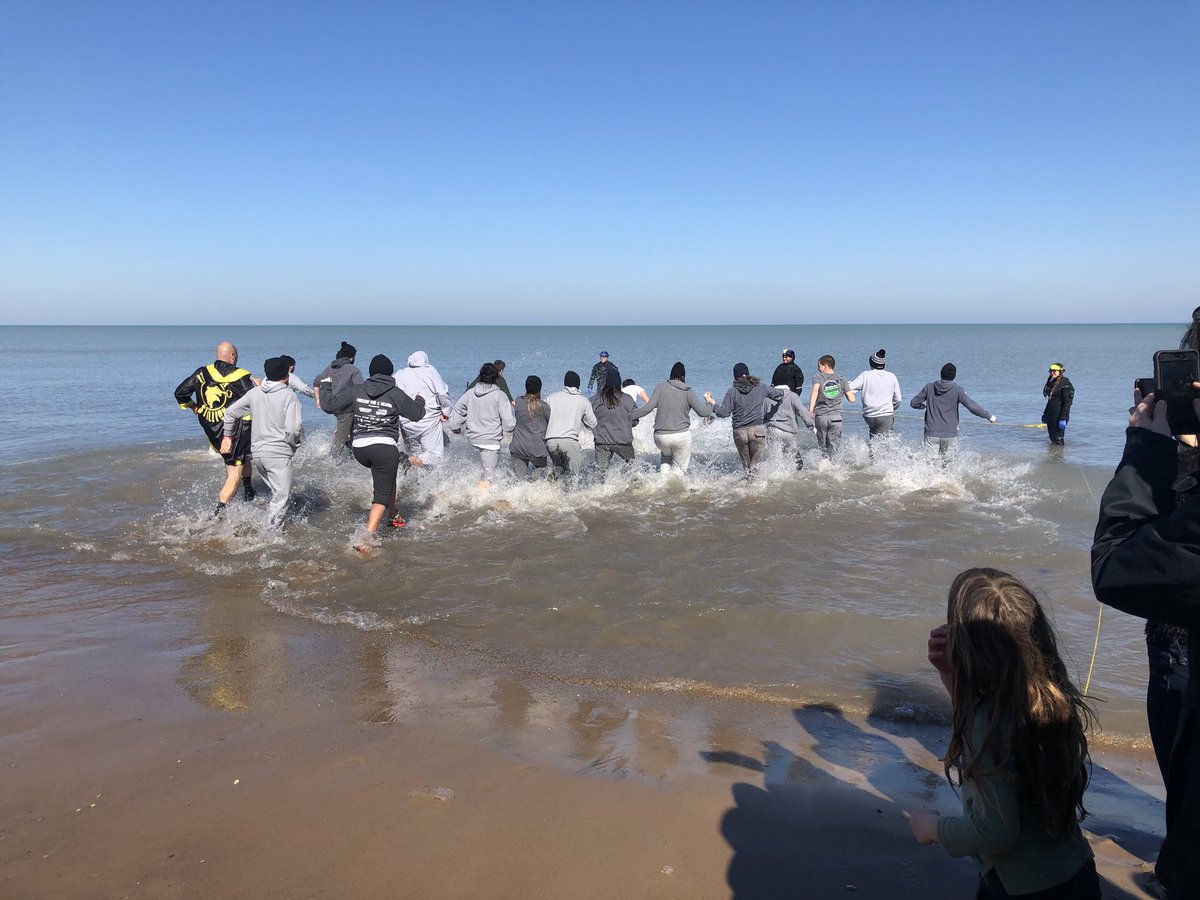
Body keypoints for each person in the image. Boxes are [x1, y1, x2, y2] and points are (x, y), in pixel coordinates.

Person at [909, 568, 1099, 899]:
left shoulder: (987, 723)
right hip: (1075, 874)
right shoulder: (1052, 696)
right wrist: (951, 679)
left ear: (968, 646)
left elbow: (996, 832)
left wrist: (932, 828)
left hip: (1021, 888)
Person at [1092, 382, 1200, 897]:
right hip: (1175, 639)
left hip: (1181, 644)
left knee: (1185, 783)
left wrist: (1147, 449)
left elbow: (1117, 565)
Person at [332, 354, 425, 545]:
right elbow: (417, 414)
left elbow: (332, 405)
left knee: (388, 475)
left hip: (359, 448)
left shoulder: (357, 390)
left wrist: (324, 388)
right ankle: (366, 538)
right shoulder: (395, 392)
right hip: (383, 448)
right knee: (380, 495)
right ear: (390, 373)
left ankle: (393, 514)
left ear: (371, 372)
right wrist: (420, 399)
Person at [174, 340, 257, 510]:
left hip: (210, 427)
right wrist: (257, 386)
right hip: (234, 428)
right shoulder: (240, 375)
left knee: (239, 458)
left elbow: (180, 392)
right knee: (235, 470)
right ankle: (219, 512)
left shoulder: (202, 373)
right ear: (233, 357)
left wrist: (192, 406)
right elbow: (256, 400)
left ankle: (248, 490)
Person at [220, 357, 303, 525]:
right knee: (282, 497)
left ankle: (262, 526)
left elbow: (229, 413)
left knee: (277, 494)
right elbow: (294, 429)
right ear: (286, 374)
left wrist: (227, 437)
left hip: (257, 454)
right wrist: (294, 445)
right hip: (278, 454)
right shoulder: (289, 395)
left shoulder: (254, 393)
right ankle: (268, 535)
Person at [633, 362, 715, 475]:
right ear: (684, 376)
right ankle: (675, 486)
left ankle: (662, 483)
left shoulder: (660, 387)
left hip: (660, 438)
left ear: (671, 374)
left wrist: (628, 416)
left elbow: (647, 408)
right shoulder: (688, 391)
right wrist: (709, 402)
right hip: (680, 437)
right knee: (679, 469)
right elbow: (703, 412)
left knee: (666, 456)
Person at [707, 363, 783, 479]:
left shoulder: (732, 392)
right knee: (755, 467)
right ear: (748, 374)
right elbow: (779, 394)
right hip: (757, 431)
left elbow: (724, 413)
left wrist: (712, 403)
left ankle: (747, 488)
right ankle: (755, 490)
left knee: (747, 468)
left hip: (740, 433)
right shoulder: (761, 387)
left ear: (735, 376)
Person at [448, 362, 516, 488]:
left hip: (472, 439)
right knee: (489, 477)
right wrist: (510, 429)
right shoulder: (500, 395)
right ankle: (479, 503)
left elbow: (458, 410)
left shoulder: (470, 393)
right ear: (496, 378)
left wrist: (455, 427)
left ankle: (468, 492)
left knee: (478, 471)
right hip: (490, 441)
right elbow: (509, 423)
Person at [910, 363, 997, 461]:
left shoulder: (929, 387)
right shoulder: (958, 390)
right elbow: (972, 407)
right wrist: (989, 416)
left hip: (931, 433)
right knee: (948, 466)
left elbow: (913, 403)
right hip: (950, 434)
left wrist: (922, 406)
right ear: (954, 376)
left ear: (941, 374)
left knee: (930, 464)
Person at [395, 350, 452, 468]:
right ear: (425, 361)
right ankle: (411, 462)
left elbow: (392, 394)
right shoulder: (430, 371)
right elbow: (442, 394)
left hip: (407, 423)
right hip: (428, 422)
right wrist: (446, 412)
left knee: (415, 453)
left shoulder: (400, 374)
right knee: (435, 456)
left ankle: (415, 481)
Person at [312, 342, 364, 459]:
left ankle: (350, 457)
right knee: (341, 440)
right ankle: (331, 462)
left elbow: (316, 382)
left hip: (335, 407)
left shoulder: (329, 368)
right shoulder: (353, 370)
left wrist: (318, 400)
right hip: (348, 409)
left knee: (349, 433)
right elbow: (361, 389)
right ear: (351, 357)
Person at [543, 371, 597, 481]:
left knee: (558, 469)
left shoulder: (551, 398)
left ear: (565, 383)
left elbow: (543, 417)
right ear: (578, 384)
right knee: (573, 476)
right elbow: (593, 423)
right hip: (570, 442)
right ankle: (571, 497)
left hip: (551, 441)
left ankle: (550, 492)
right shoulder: (583, 401)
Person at [590, 370, 638, 479]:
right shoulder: (627, 399)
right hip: (623, 441)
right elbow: (635, 420)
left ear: (605, 383)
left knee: (600, 474)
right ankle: (631, 493)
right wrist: (625, 424)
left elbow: (585, 414)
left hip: (602, 442)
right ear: (619, 383)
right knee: (631, 470)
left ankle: (600, 493)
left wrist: (594, 428)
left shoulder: (596, 399)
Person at [847, 349, 902, 440]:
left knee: (873, 438)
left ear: (871, 363)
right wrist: (892, 408)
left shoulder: (865, 375)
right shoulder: (891, 376)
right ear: (883, 364)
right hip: (885, 414)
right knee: (884, 443)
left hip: (869, 416)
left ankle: (870, 453)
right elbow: (898, 399)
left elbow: (849, 388)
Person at [808, 355, 855, 458]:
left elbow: (815, 391)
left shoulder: (818, 377)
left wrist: (811, 409)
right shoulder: (842, 379)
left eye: (819, 366)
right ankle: (833, 467)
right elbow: (852, 399)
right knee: (834, 448)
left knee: (823, 447)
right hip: (836, 418)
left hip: (821, 417)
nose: (818, 368)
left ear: (825, 366)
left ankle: (823, 467)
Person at [764, 384, 815, 471]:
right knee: (795, 460)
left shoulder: (767, 398)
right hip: (789, 432)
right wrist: (811, 425)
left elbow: (762, 416)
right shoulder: (792, 396)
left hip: (773, 430)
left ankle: (776, 477)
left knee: (776, 460)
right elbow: (801, 411)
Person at [511, 376, 551, 479]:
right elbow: (549, 424)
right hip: (537, 449)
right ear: (539, 389)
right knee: (536, 481)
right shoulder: (545, 406)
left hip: (518, 447)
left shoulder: (518, 401)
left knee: (518, 481)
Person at [1042, 363, 1074, 446]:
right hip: (1051, 415)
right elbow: (1050, 401)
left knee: (1058, 438)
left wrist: (1063, 418)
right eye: (1051, 371)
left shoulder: (1066, 384)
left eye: (1054, 371)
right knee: (1052, 437)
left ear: (1060, 372)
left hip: (1060, 416)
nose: (1052, 373)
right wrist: (1045, 414)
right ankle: (1054, 457)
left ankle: (1060, 457)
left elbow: (1067, 403)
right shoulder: (1052, 382)